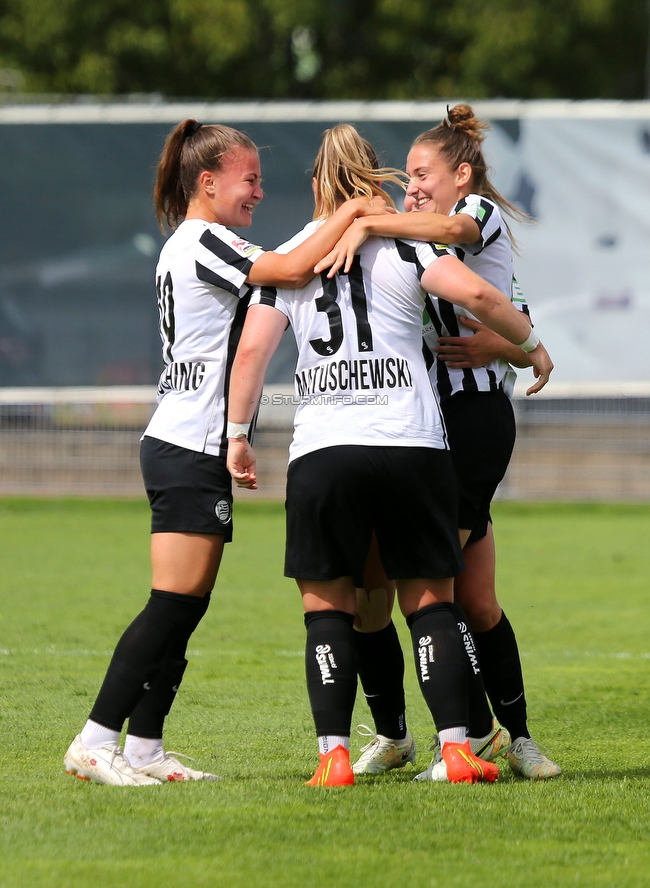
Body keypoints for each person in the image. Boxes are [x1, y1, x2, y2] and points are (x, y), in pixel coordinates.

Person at [63, 119, 391, 786]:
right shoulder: (205, 240)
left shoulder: (191, 243)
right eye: (250, 180)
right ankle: (95, 739)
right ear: (207, 183)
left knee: (187, 603)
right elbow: (293, 267)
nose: (259, 193)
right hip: (187, 442)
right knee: (171, 602)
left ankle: (147, 747)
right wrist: (356, 206)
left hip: (187, 442)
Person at [226, 123, 552, 786]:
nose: (417, 187)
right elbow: (482, 296)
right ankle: (442, 743)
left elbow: (253, 352)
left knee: (368, 603)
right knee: (420, 597)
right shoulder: (404, 242)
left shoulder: (297, 255)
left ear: (317, 184)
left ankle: (355, 753)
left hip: (359, 443)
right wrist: (531, 343)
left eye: (425, 172)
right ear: (375, 181)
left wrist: (235, 432)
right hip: (414, 442)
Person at [316, 105, 562, 781]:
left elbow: (508, 318)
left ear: (461, 174)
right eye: (408, 177)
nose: (413, 185)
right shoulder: (418, 247)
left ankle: (475, 736)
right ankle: (501, 739)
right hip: (428, 434)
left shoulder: (474, 213)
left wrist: (369, 217)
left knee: (426, 587)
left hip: (473, 425)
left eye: (422, 174)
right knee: (467, 597)